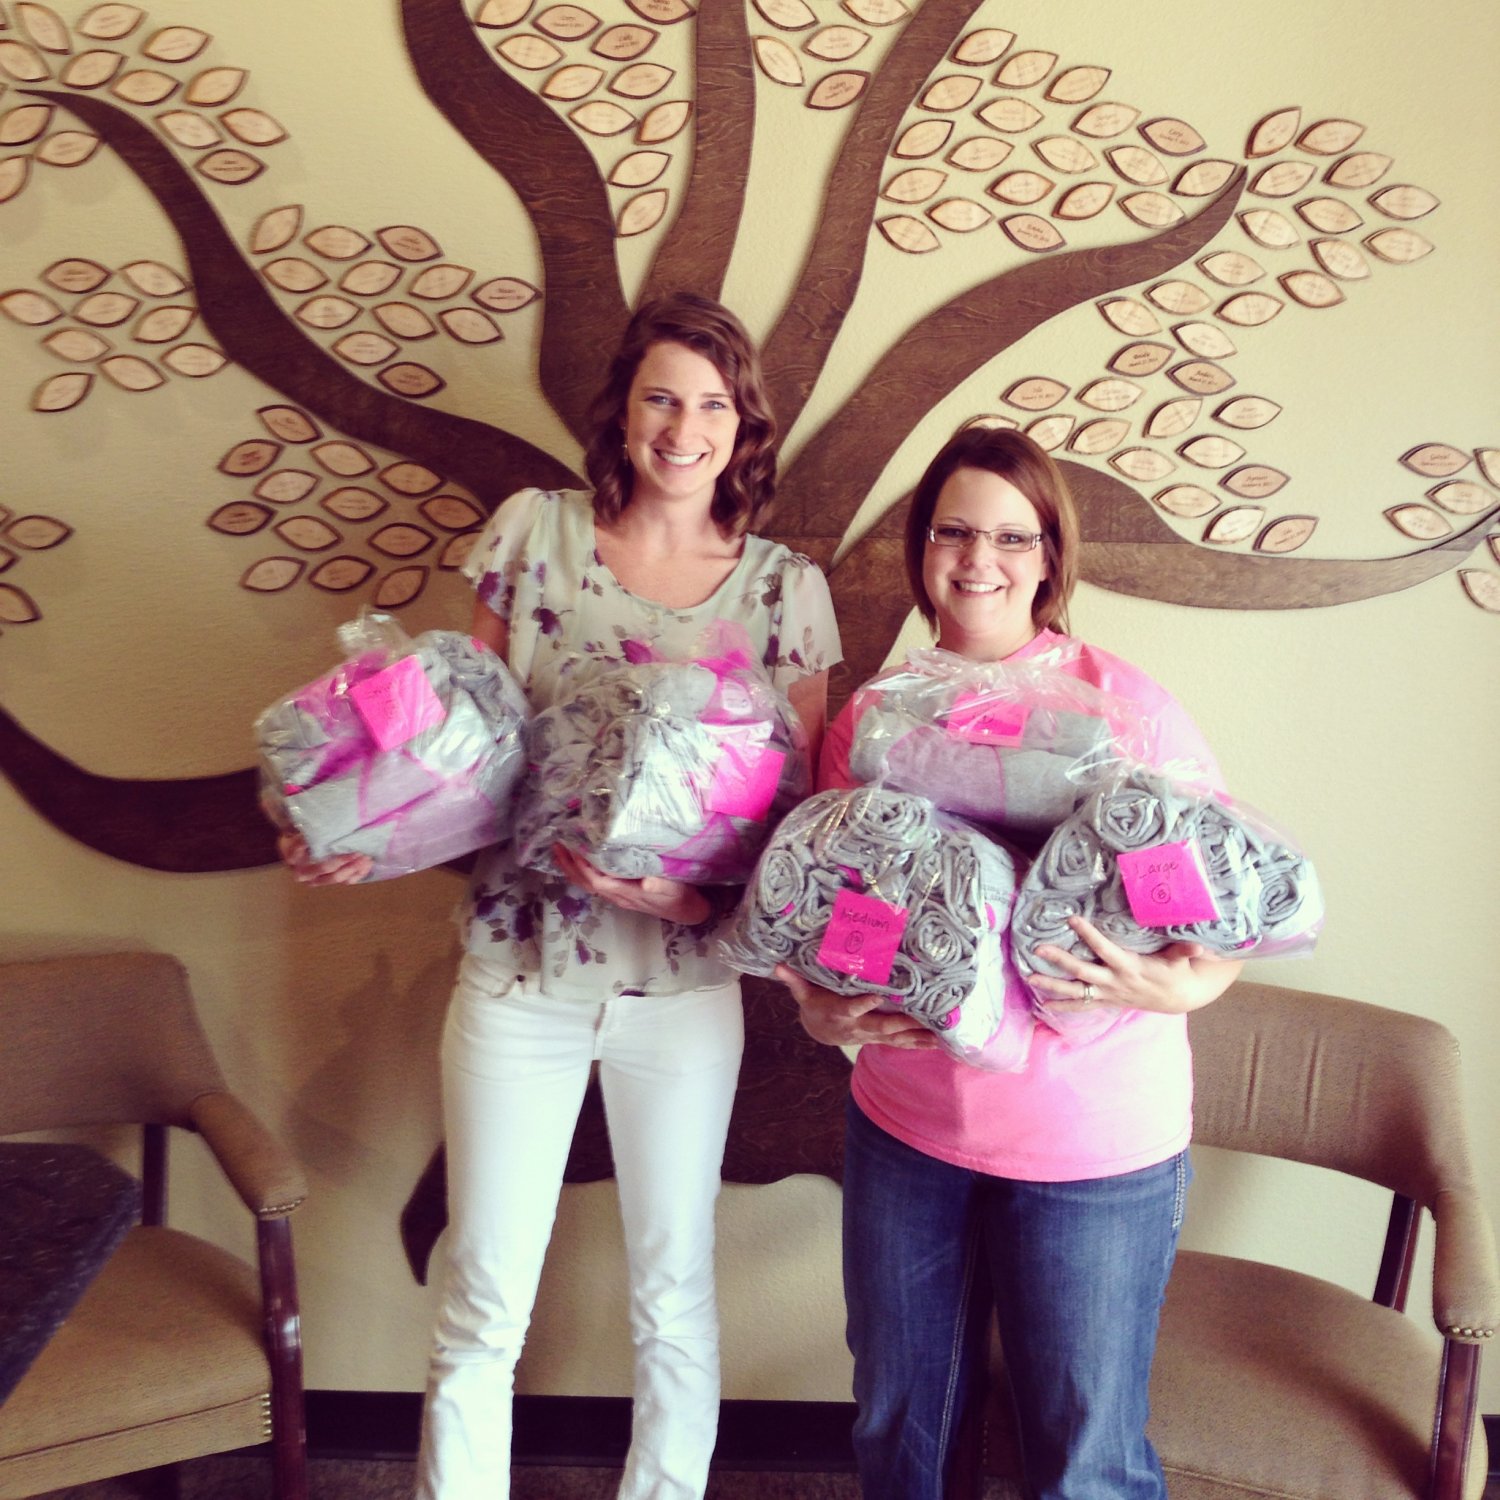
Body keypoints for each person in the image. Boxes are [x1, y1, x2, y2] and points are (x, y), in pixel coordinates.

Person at [280, 292, 842, 1500]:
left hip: (682, 989)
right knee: (483, 1292)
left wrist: (687, 905)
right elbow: (466, 746)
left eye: (711, 405)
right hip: (519, 976)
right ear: (622, 412)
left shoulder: (784, 591)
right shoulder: (534, 534)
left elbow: (794, 825)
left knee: (673, 1291)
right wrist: (367, 837)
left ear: (743, 426)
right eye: (660, 399)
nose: (683, 429)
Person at [774, 425, 1240, 1500]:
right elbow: (831, 914)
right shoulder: (876, 719)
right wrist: (819, 1010)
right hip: (908, 1130)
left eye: (1011, 537)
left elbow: (1220, 912)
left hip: (1091, 1147)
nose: (979, 559)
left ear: (1049, 557)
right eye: (954, 532)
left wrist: (1189, 985)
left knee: (1083, 1464)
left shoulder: (1124, 712)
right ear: (922, 548)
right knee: (902, 1437)